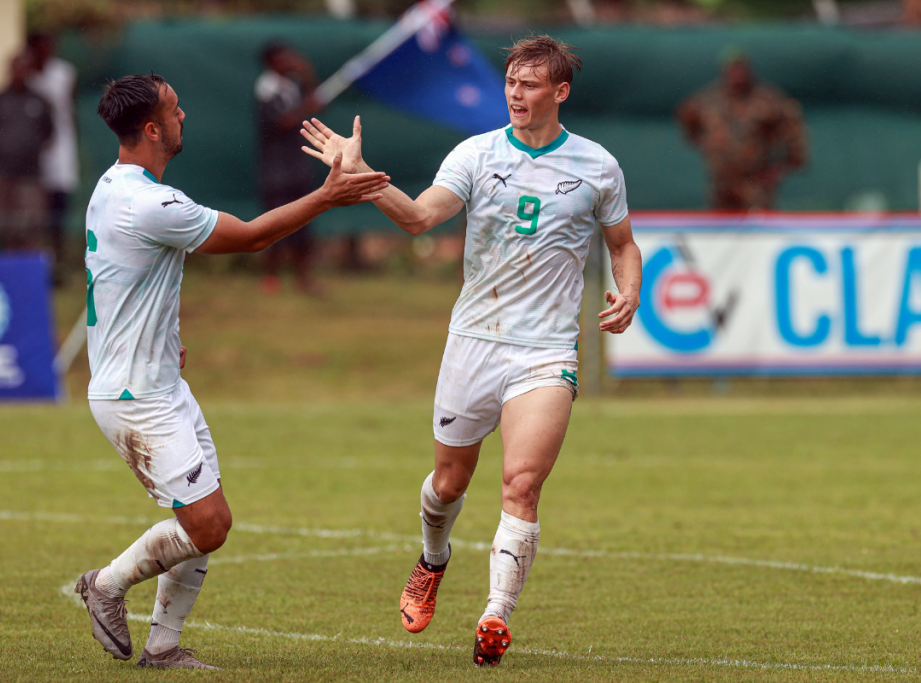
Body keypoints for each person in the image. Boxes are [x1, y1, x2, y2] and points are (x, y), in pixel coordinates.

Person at [301, 35, 642, 666]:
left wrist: (630, 291)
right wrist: (360, 175)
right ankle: (433, 559)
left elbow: (622, 244)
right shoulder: (476, 153)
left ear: (560, 92)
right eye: (510, 81)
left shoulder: (598, 165)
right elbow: (417, 217)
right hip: (474, 343)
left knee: (522, 484)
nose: (516, 93)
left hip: (546, 351)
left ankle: (494, 616)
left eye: (530, 84)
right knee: (449, 482)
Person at [75, 73, 388, 670]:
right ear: (151, 129)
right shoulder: (150, 203)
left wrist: (163, 340)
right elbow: (247, 239)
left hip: (156, 381)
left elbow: (129, 279)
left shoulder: (115, 186)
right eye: (174, 109)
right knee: (209, 523)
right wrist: (327, 196)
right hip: (135, 394)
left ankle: (163, 648)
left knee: (203, 515)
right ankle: (105, 586)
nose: (184, 116)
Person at [676, 50, 808, 211]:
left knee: (758, 222)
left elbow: (793, 128)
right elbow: (686, 116)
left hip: (755, 182)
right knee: (719, 223)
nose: (737, 74)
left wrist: (783, 165)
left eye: (741, 69)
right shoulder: (708, 99)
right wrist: (702, 141)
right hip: (721, 182)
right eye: (733, 69)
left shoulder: (767, 98)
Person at [255, 42, 323, 295]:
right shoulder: (265, 90)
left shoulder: (293, 85)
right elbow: (282, 122)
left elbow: (317, 102)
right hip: (275, 169)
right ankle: (270, 277)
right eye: (281, 58)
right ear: (270, 63)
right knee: (275, 222)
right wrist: (307, 106)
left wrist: (307, 76)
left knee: (304, 222)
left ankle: (303, 278)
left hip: (297, 165)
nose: (287, 62)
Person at [0, 53, 53, 250]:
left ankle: (27, 267)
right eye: (16, 68)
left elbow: (48, 133)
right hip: (0, 174)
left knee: (29, 227)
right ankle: (8, 265)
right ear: (9, 70)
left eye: (24, 69)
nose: (20, 73)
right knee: (4, 229)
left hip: (30, 175)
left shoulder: (39, 100)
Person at [27, 33, 79, 277]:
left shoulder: (64, 74)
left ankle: (59, 261)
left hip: (61, 150)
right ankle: (39, 264)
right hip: (33, 154)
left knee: (59, 208)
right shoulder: (26, 76)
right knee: (37, 213)